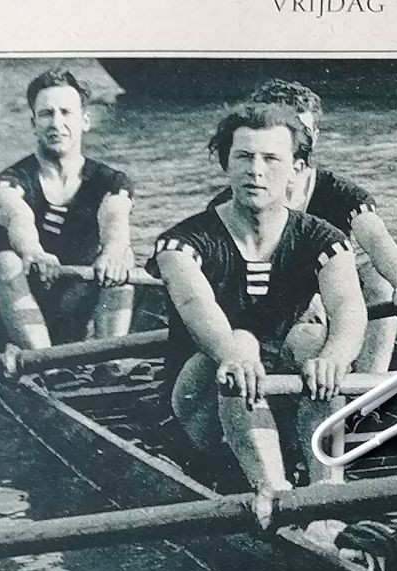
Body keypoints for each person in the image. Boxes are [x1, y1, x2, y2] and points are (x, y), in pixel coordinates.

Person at [148, 102, 366, 501]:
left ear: (296, 170)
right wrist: (233, 354)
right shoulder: (181, 244)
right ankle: (275, 492)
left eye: (271, 158)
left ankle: (327, 495)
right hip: (205, 405)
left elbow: (350, 308)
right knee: (242, 343)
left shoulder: (325, 239)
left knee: (317, 344)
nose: (256, 170)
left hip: (288, 400)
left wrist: (335, 357)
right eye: (244, 157)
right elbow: (198, 306)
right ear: (224, 165)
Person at [208, 79, 397, 373]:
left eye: (306, 131)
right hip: (262, 316)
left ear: (316, 135)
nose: (301, 142)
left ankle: (368, 392)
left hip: (333, 301)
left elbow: (375, 238)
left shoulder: (343, 193)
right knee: (308, 340)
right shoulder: (235, 202)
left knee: (379, 281)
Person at [0, 68, 136, 354]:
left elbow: (115, 218)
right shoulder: (5, 183)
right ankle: (47, 366)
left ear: (85, 121)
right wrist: (33, 252)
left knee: (123, 255)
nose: (56, 123)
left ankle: (111, 361)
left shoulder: (112, 183)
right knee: (6, 262)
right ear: (33, 123)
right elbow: (18, 216)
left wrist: (113, 251)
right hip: (4, 309)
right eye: (47, 114)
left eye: (66, 112)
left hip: (70, 305)